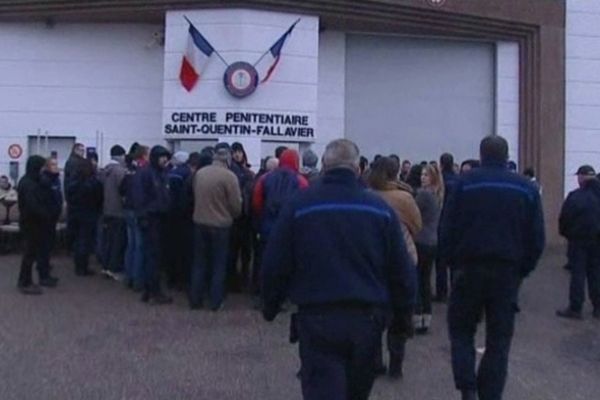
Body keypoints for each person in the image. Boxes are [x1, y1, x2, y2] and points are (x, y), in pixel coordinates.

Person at [261, 139, 417, 400]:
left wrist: (271, 304)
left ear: (324, 165)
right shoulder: (379, 210)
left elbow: (275, 261)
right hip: (366, 320)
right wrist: (402, 318)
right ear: (358, 169)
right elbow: (401, 270)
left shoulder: (301, 205)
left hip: (318, 317)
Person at [440, 135, 545, 400]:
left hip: (468, 268)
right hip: (507, 272)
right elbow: (537, 238)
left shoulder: (464, 184)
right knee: (499, 339)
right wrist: (523, 269)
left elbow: (447, 228)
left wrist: (452, 263)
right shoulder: (526, 188)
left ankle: (467, 387)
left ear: (481, 154)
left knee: (461, 331)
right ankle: (490, 393)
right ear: (507, 155)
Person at [368, 156, 422, 379]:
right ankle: (396, 364)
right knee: (400, 315)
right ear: (396, 173)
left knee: (374, 314)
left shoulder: (367, 196)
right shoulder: (404, 197)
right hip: (403, 258)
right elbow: (417, 225)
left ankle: (375, 362)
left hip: (374, 261)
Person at [190, 147, 242, 311]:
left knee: (199, 263)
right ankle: (215, 301)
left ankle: (195, 299)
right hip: (220, 225)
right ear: (227, 160)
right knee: (219, 264)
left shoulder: (200, 173)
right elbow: (236, 206)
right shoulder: (229, 176)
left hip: (199, 222)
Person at [252, 149, 309, 293]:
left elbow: (257, 203)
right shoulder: (301, 181)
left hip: (267, 227)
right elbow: (305, 204)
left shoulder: (265, 178)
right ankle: (284, 293)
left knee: (264, 261)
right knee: (287, 262)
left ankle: (262, 292)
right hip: (291, 229)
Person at [556, 165, 600, 320]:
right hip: (597, 241)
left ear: (581, 177)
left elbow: (564, 219)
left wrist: (567, 234)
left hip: (578, 241)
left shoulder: (575, 196)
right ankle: (598, 307)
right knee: (596, 273)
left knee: (578, 274)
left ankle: (576, 308)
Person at [132, 145, 173, 305]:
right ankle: (153, 291)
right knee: (152, 257)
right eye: (162, 157)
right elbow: (139, 197)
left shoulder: (162, 174)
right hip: (151, 219)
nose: (165, 160)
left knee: (154, 256)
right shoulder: (147, 174)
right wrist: (144, 215)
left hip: (159, 218)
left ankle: (150, 290)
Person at [16, 156, 60, 294]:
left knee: (34, 252)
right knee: (30, 253)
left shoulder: (30, 180)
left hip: (33, 222)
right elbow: (32, 205)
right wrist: (46, 214)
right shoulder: (29, 184)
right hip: (32, 223)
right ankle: (25, 282)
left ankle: (30, 280)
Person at [414, 163, 444, 334]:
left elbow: (414, 212)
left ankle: (417, 316)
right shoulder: (438, 194)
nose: (422, 177)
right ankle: (427, 315)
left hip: (420, 240)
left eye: (426, 175)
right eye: (422, 174)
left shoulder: (423, 195)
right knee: (425, 280)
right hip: (432, 241)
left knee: (418, 280)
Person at [66, 157, 103, 276]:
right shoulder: (94, 183)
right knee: (86, 241)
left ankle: (79, 266)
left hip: (75, 213)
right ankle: (83, 267)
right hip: (89, 214)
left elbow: (69, 197)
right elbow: (99, 199)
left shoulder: (73, 182)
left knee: (78, 241)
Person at [229, 142, 255, 293]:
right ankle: (235, 280)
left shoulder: (247, 172)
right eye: (235, 152)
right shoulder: (233, 172)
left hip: (245, 216)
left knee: (245, 251)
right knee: (234, 250)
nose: (238, 155)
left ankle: (244, 277)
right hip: (235, 216)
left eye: (240, 152)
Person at [100, 145, 128, 281]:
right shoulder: (120, 171)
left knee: (107, 240)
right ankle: (114, 268)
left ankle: (105, 266)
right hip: (118, 210)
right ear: (121, 156)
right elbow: (124, 190)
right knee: (117, 241)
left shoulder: (104, 170)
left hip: (106, 209)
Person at [122, 143, 147, 291]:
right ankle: (138, 280)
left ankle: (129, 276)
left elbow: (122, 189)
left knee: (131, 245)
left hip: (128, 209)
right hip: (138, 210)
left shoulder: (129, 170)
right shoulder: (143, 170)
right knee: (140, 246)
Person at [165, 151, 192, 290]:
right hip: (183, 216)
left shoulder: (171, 173)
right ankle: (181, 278)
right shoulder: (187, 174)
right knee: (183, 250)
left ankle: (171, 277)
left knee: (172, 248)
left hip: (170, 214)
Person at [37, 157, 63, 283]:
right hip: (46, 218)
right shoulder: (45, 180)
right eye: (53, 164)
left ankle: (45, 269)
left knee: (48, 245)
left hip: (52, 217)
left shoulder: (55, 179)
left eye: (56, 164)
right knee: (44, 246)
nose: (56, 166)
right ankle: (43, 274)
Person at [436, 152, 458, 302]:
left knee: (441, 262)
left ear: (441, 164)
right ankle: (456, 290)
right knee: (455, 263)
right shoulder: (458, 181)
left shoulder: (440, 181)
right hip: (456, 225)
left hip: (441, 223)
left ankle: (441, 292)